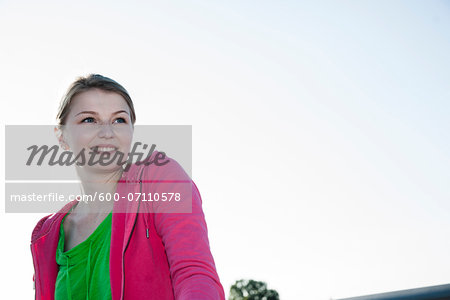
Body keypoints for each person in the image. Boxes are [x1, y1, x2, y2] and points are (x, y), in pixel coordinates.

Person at [30, 74, 225, 300]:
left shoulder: (160, 178)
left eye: (119, 120)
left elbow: (194, 273)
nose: (107, 133)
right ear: (61, 135)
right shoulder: (48, 233)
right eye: (89, 120)